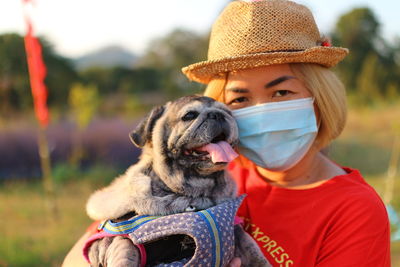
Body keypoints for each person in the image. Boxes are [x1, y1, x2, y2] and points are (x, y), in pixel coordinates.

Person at [63, 0, 390, 266]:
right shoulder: (210, 172)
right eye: (240, 99)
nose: (260, 110)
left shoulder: (353, 211)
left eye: (281, 93)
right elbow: (78, 258)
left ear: (320, 99)